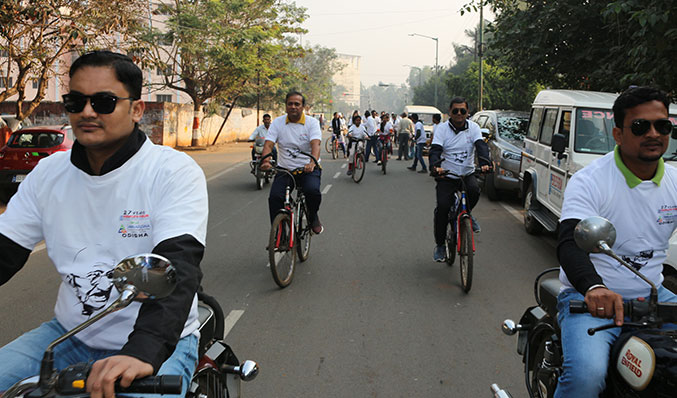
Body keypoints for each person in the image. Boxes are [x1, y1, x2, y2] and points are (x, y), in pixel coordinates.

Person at [0, 51, 207, 398]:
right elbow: (5, 250)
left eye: (104, 101)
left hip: (154, 343)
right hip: (69, 334)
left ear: (137, 109)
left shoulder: (172, 171)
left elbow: (179, 264)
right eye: (76, 101)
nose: (87, 112)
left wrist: (142, 351)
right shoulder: (48, 174)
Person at [554, 86, 677, 398]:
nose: (653, 133)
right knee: (586, 376)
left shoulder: (675, 182)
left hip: (654, 297)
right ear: (619, 134)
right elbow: (570, 241)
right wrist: (594, 288)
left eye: (662, 126)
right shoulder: (591, 180)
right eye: (640, 126)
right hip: (590, 301)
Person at [429, 97, 490, 262]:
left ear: (467, 112)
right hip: (447, 175)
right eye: (455, 111)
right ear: (450, 112)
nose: (459, 114)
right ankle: (441, 246)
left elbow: (481, 147)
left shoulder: (474, 128)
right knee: (442, 208)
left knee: (474, 191)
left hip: (467, 174)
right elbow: (435, 150)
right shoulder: (442, 129)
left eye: (462, 111)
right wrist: (435, 166)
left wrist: (485, 163)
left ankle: (467, 214)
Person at [261, 91, 323, 234]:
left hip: (308, 169)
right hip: (285, 170)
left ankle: (313, 216)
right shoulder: (277, 122)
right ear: (286, 106)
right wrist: (265, 161)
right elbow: (268, 145)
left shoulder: (312, 123)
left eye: (297, 104)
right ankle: (280, 233)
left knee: (312, 192)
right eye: (290, 104)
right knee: (275, 198)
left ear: (303, 107)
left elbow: (316, 144)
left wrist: (312, 162)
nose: (293, 107)